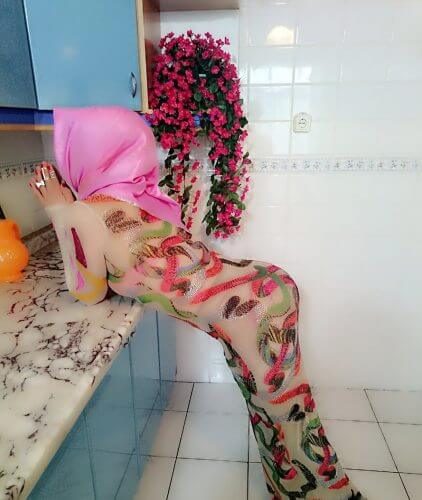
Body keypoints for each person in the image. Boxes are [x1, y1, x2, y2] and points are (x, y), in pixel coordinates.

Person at [30, 107, 364, 500]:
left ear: (81, 154)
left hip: (251, 308)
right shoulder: (136, 201)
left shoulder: (83, 213)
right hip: (260, 289)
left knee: (285, 415)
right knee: (272, 410)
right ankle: (289, 489)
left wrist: (58, 210)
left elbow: (86, 291)